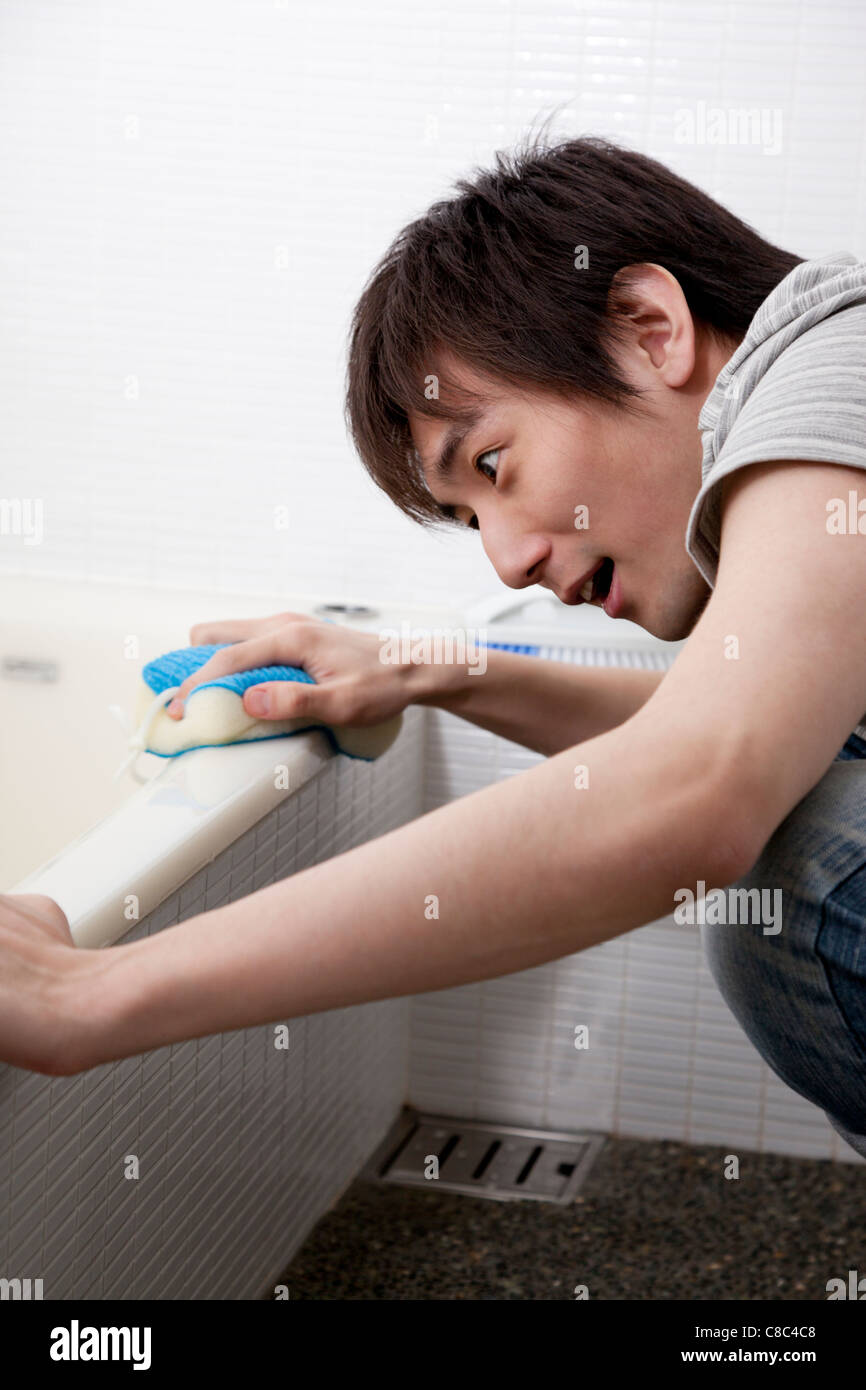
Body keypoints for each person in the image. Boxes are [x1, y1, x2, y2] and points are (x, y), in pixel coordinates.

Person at [4, 134, 866, 1161]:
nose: (504, 562)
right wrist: (429, 669)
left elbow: (699, 786)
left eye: (494, 462)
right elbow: (734, 727)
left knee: (798, 868)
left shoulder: (834, 361)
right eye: (465, 520)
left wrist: (93, 991)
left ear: (647, 327)